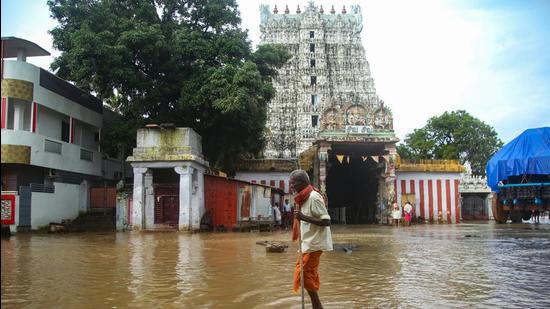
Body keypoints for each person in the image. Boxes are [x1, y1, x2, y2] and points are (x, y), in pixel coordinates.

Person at [290, 169, 332, 309]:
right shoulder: (302, 198)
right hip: (307, 243)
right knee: (305, 276)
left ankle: (318, 307)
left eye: (293, 183)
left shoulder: (313, 197)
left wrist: (303, 217)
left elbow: (326, 221)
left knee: (304, 276)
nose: (291, 186)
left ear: (302, 183)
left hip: (314, 244)